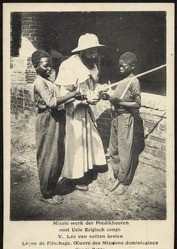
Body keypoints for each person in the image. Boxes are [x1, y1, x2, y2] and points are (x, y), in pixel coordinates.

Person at [55, 33, 108, 191]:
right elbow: (63, 95)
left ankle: (86, 170)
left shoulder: (92, 65)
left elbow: (91, 89)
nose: (95, 54)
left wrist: (100, 91)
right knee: (76, 144)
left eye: (96, 50)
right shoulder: (68, 66)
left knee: (90, 140)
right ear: (82, 51)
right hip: (73, 112)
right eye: (92, 51)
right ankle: (74, 177)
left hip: (86, 111)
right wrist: (83, 100)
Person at [31, 50, 79, 204]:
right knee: (48, 156)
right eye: (45, 66)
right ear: (35, 67)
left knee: (57, 154)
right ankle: (46, 193)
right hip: (47, 120)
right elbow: (51, 102)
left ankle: (51, 187)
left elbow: (58, 99)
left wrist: (77, 97)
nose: (49, 68)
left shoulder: (48, 81)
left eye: (50, 65)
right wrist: (72, 95)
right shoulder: (39, 82)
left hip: (56, 119)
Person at [108, 52, 145, 194]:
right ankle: (118, 174)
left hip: (125, 119)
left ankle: (125, 181)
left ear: (132, 66)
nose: (120, 69)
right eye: (119, 66)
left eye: (123, 66)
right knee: (114, 147)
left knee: (124, 151)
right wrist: (110, 98)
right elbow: (117, 99)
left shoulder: (134, 81)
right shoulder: (122, 80)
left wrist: (120, 102)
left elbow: (137, 104)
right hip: (116, 118)